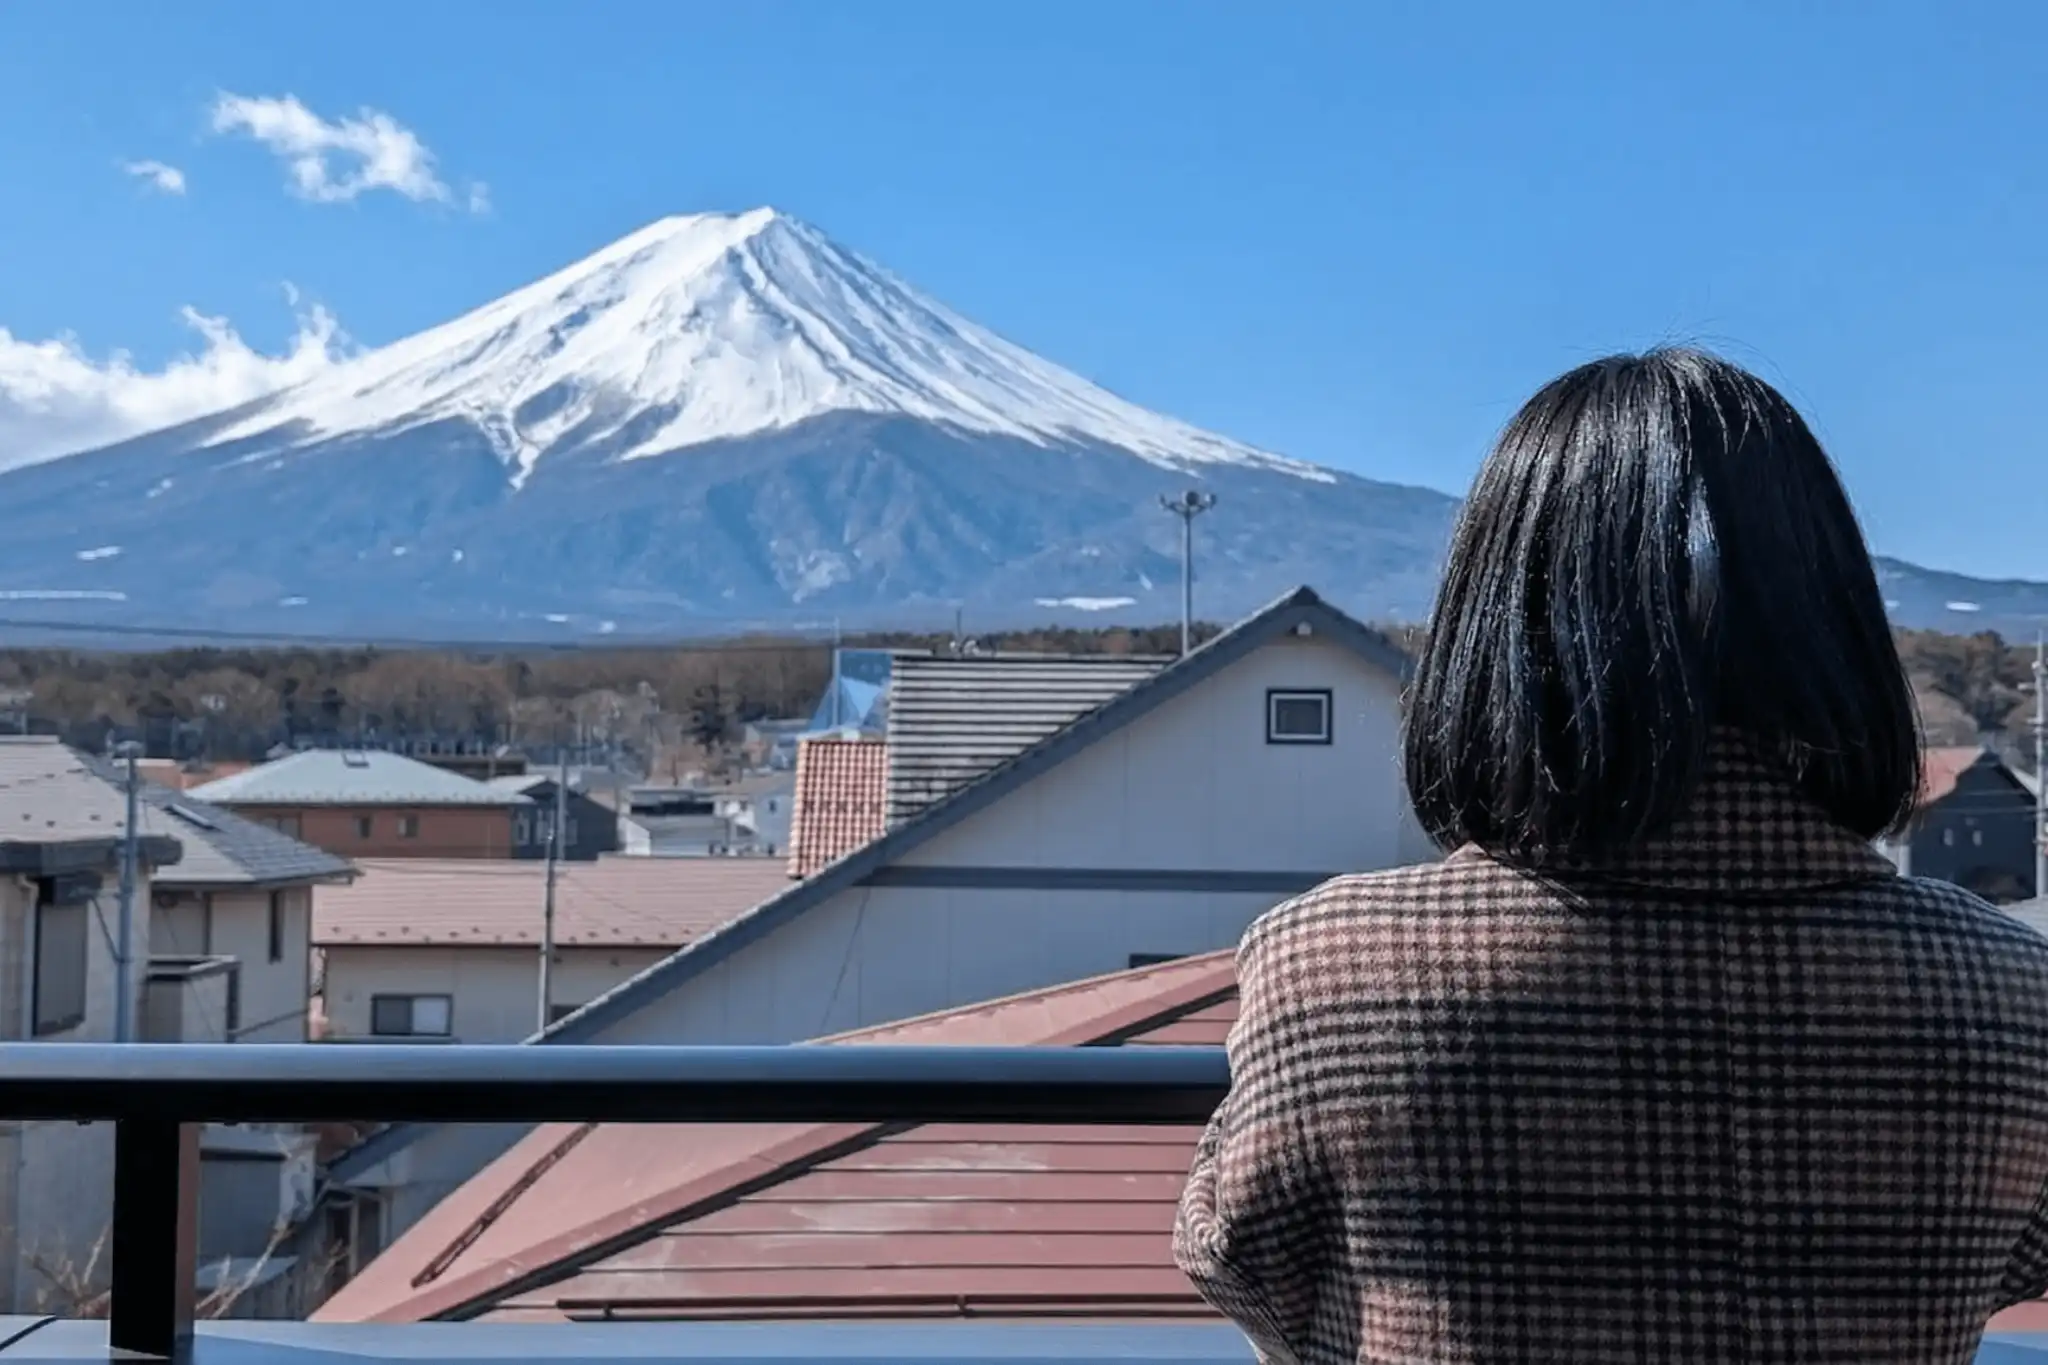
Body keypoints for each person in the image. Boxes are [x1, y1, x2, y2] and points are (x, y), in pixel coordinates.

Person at [1174, 348, 2048, 1364]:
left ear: (1491, 635)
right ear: (1837, 626)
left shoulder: (1329, 966)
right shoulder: (2011, 991)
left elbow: (1238, 1257)